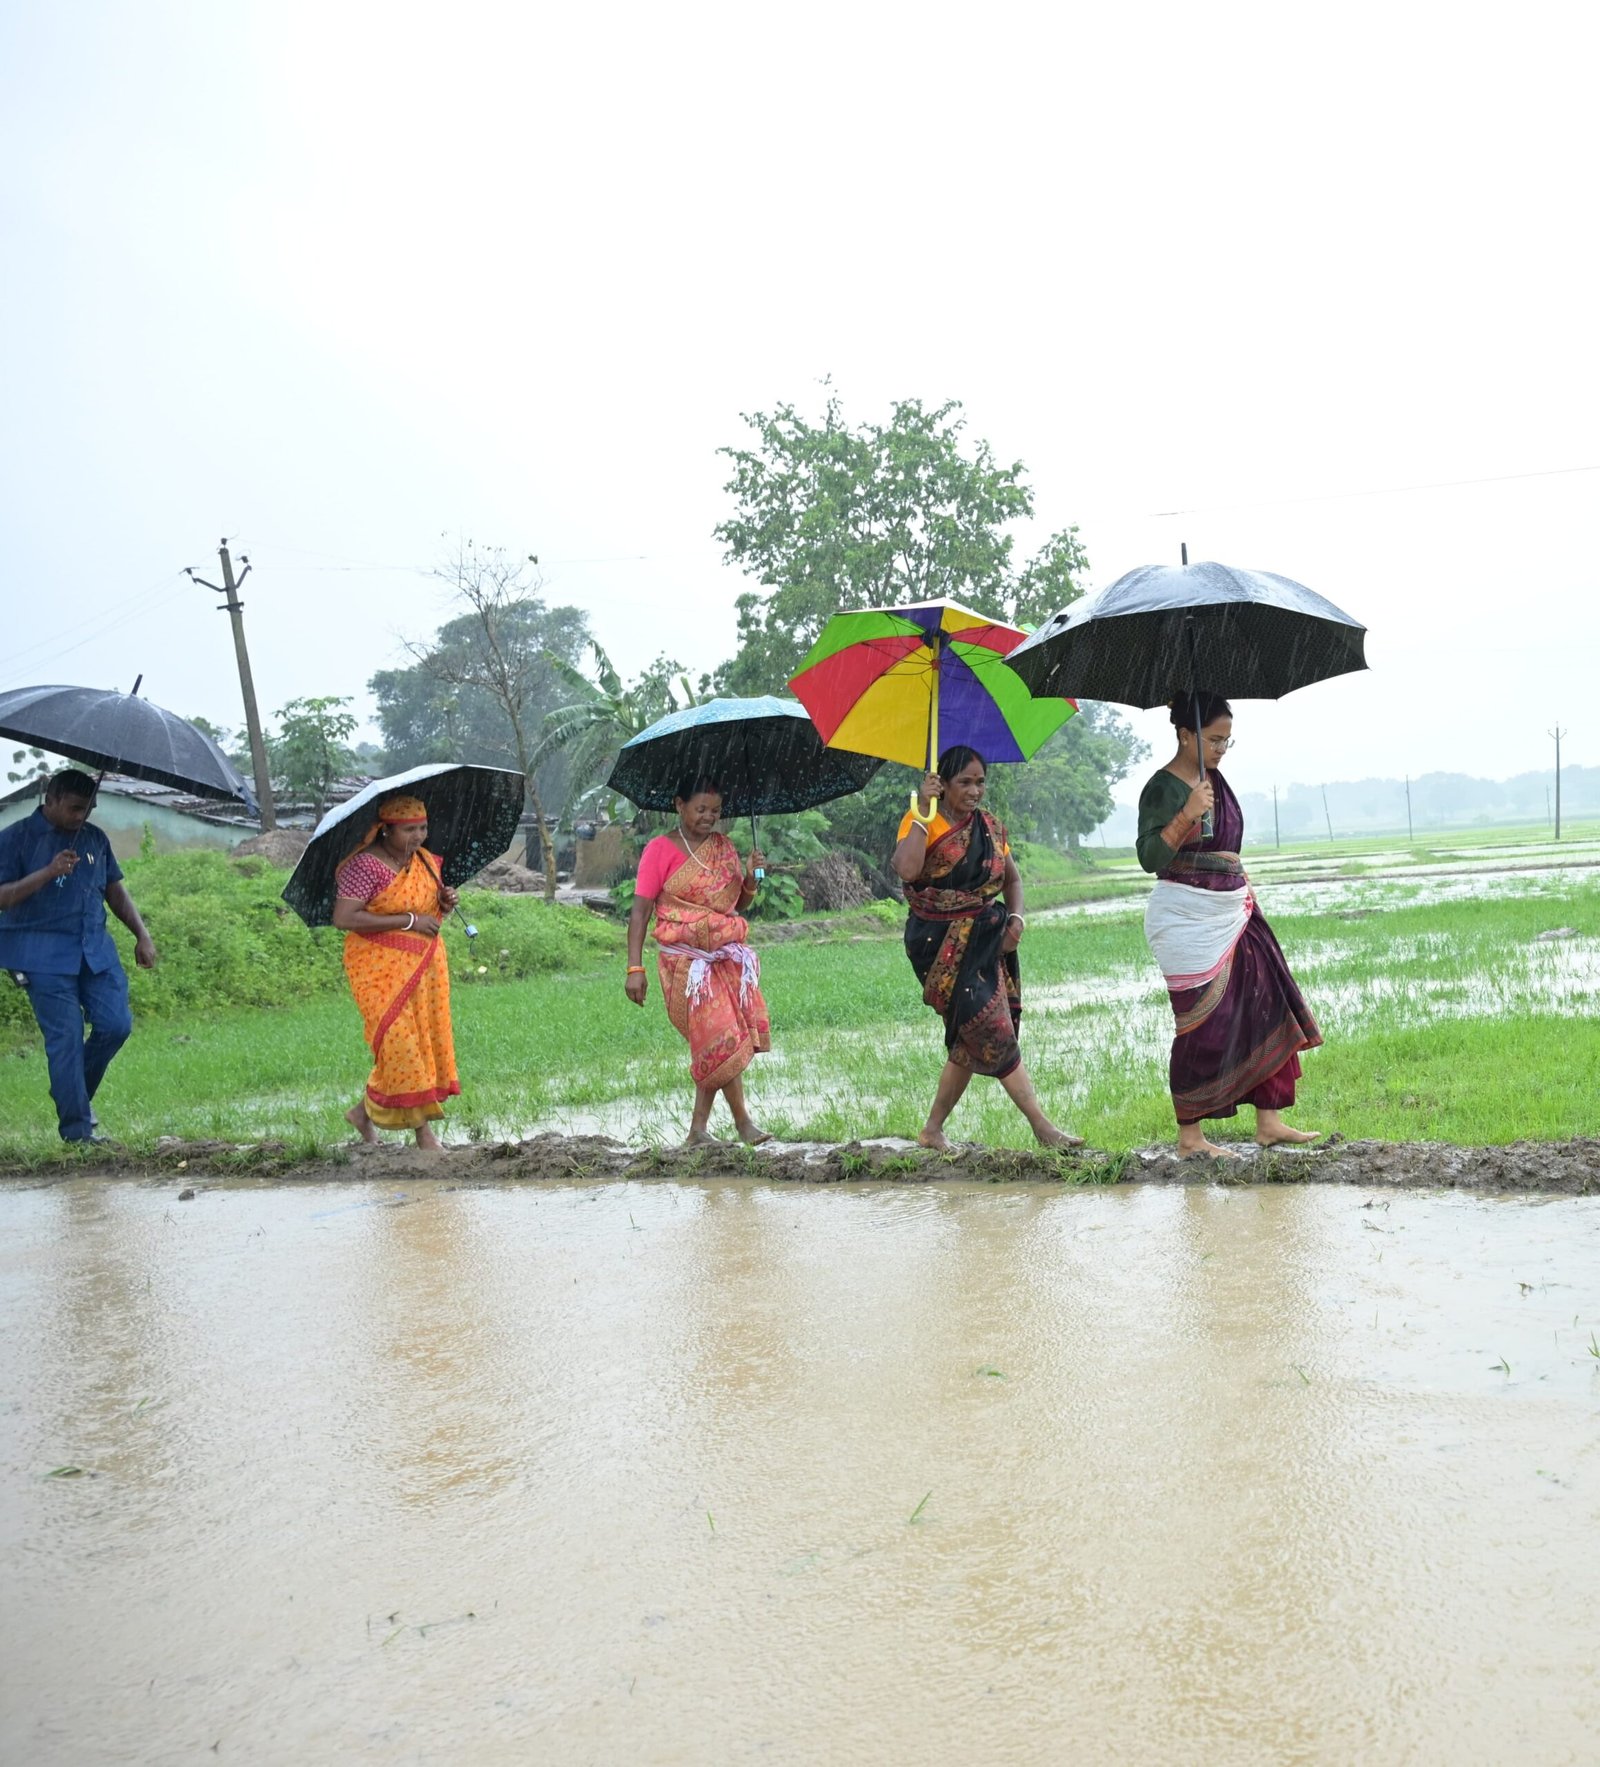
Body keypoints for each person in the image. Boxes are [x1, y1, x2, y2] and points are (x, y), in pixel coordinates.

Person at [1136, 694, 1323, 1158]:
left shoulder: (1215, 780)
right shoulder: (1163, 789)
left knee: (1268, 1002)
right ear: (1185, 735)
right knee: (1202, 1022)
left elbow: (1227, 849)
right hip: (1186, 917)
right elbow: (1149, 858)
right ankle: (1190, 1137)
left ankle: (1269, 1120)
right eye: (1214, 739)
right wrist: (1186, 814)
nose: (1221, 749)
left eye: (1227, 741)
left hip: (1234, 909)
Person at [892, 745, 1082, 1152]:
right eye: (965, 782)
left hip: (986, 943)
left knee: (969, 1035)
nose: (975, 790)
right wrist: (924, 811)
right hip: (937, 945)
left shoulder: (991, 827)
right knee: (992, 1029)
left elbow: (1012, 882)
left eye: (980, 782)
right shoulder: (920, 820)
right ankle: (1042, 1127)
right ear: (942, 784)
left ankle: (931, 1130)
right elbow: (907, 871)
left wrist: (1017, 919)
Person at [0, 769, 157, 1143]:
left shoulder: (94, 839)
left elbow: (114, 891)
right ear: (49, 799)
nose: (80, 816)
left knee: (116, 1024)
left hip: (95, 952)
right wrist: (48, 872)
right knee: (66, 1039)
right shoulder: (15, 839)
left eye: (87, 809)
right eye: (73, 808)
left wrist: (142, 934)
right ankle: (78, 1135)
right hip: (40, 955)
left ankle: (70, 1093)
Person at [625, 776, 771, 1146]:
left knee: (717, 1040)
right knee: (718, 1037)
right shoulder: (659, 850)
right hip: (685, 966)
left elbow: (737, 905)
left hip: (722, 961)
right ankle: (741, 1126)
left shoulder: (724, 848)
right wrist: (634, 968)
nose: (709, 817)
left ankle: (699, 1131)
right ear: (679, 805)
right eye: (701, 809)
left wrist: (753, 877)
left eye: (716, 811)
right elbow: (640, 913)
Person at [331, 795, 460, 1151]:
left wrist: (443, 904)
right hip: (378, 969)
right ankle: (424, 1136)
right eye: (409, 830)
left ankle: (362, 1114)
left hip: (425, 967)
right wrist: (408, 921)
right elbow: (345, 918)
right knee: (399, 1045)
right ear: (386, 829)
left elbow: (428, 913)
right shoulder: (365, 866)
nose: (418, 836)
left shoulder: (426, 862)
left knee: (420, 1043)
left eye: (422, 828)